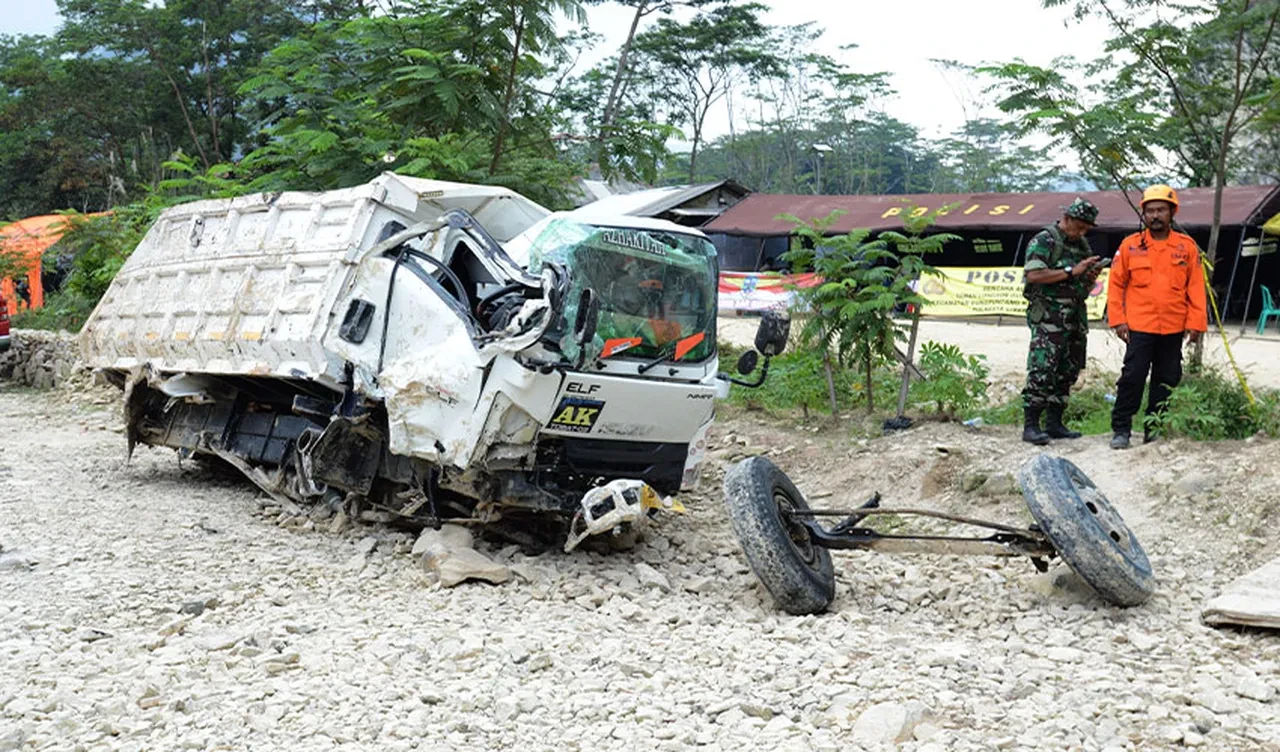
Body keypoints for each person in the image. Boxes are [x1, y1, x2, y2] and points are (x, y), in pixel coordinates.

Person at [1107, 185, 1207, 449]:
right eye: (1150, 210)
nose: (1155, 215)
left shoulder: (1186, 247)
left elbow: (1196, 287)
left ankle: (1154, 428)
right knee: (1132, 377)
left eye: (1161, 209)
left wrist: (1196, 324)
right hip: (1139, 326)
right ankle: (1121, 429)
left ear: (1172, 212)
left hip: (1173, 327)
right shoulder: (1130, 246)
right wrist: (1118, 320)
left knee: (1167, 378)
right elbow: (1115, 284)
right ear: (1144, 214)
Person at [1020, 197, 1103, 445]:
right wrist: (1071, 271)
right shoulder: (1045, 240)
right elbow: (1033, 274)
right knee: (1042, 368)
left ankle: (1054, 423)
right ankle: (1031, 426)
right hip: (1049, 316)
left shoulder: (1081, 245)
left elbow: (1081, 285)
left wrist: (1089, 275)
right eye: (1079, 226)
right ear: (1066, 218)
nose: (1082, 232)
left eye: (1086, 228)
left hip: (1074, 316)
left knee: (1067, 369)